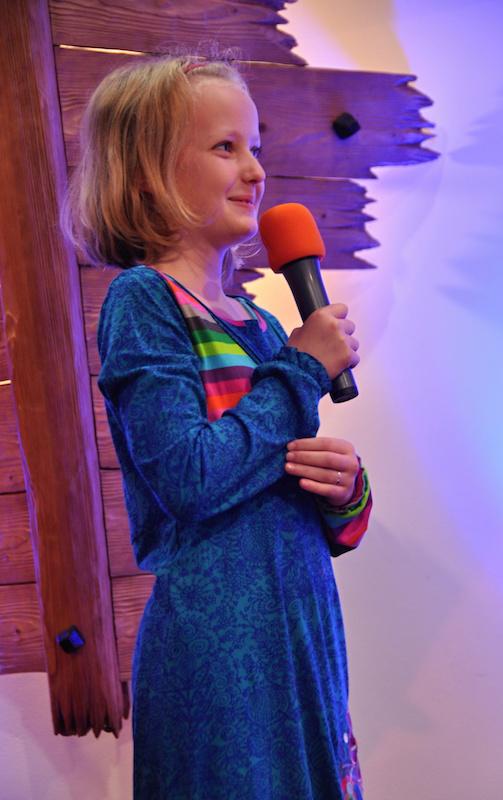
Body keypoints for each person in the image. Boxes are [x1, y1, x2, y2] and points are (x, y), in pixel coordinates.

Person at [63, 53, 372, 800]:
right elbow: (190, 478)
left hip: (298, 633)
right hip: (220, 654)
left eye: (255, 146)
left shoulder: (260, 324)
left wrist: (345, 492)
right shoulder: (144, 301)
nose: (255, 170)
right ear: (147, 175)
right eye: (225, 147)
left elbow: (278, 485)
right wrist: (301, 369)